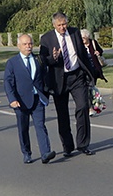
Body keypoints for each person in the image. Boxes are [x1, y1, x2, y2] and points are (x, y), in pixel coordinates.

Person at [39, 12, 96, 157]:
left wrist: (90, 73)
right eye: (59, 25)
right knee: (62, 114)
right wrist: (53, 58)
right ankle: (68, 146)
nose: (63, 27)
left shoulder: (75, 32)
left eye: (64, 24)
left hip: (77, 76)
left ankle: (83, 144)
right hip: (59, 80)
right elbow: (44, 60)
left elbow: (83, 53)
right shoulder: (46, 38)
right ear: (54, 25)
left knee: (83, 107)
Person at [4, 34, 54, 164]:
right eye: (25, 44)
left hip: (37, 99)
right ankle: (26, 153)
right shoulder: (12, 63)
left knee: (40, 125)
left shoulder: (38, 59)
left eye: (30, 44)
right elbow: (8, 82)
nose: (28, 46)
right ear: (19, 46)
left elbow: (44, 76)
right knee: (23, 128)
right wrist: (12, 99)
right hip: (20, 101)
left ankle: (45, 153)